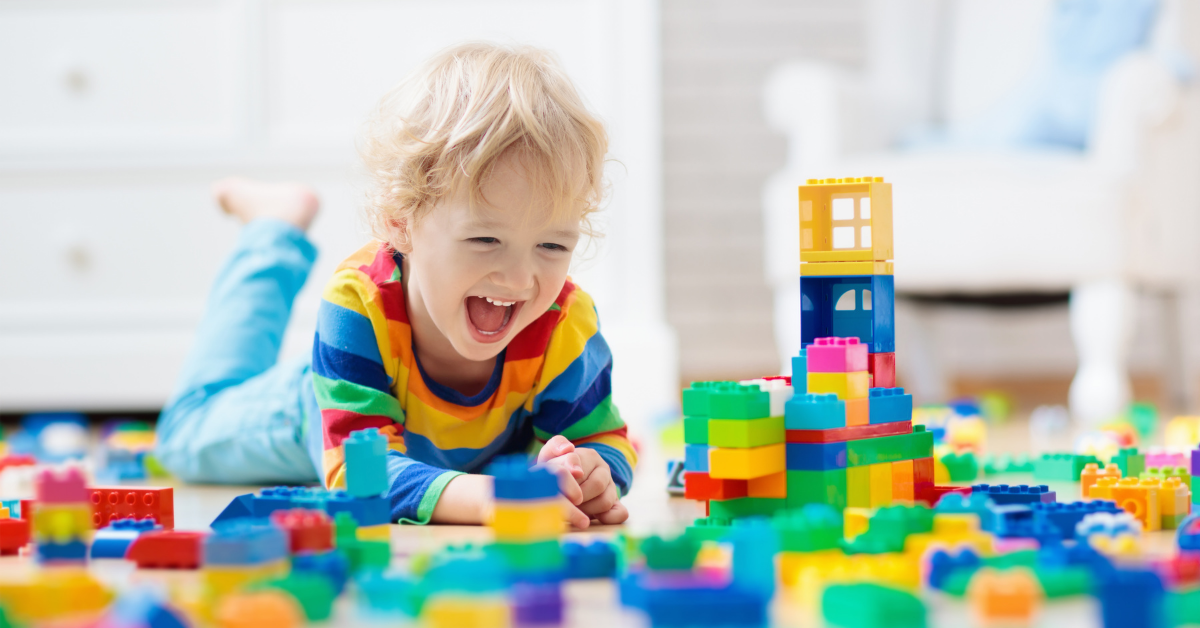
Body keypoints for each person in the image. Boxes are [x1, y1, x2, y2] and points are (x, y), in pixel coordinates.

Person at [155, 43, 635, 528]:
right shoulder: (357, 304)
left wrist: (594, 474)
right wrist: (493, 499)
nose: (519, 278)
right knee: (185, 432)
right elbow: (359, 472)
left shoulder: (564, 323)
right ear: (400, 222)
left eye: (552, 246)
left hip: (424, 448)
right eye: (485, 238)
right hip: (316, 407)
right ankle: (272, 233)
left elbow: (606, 440)